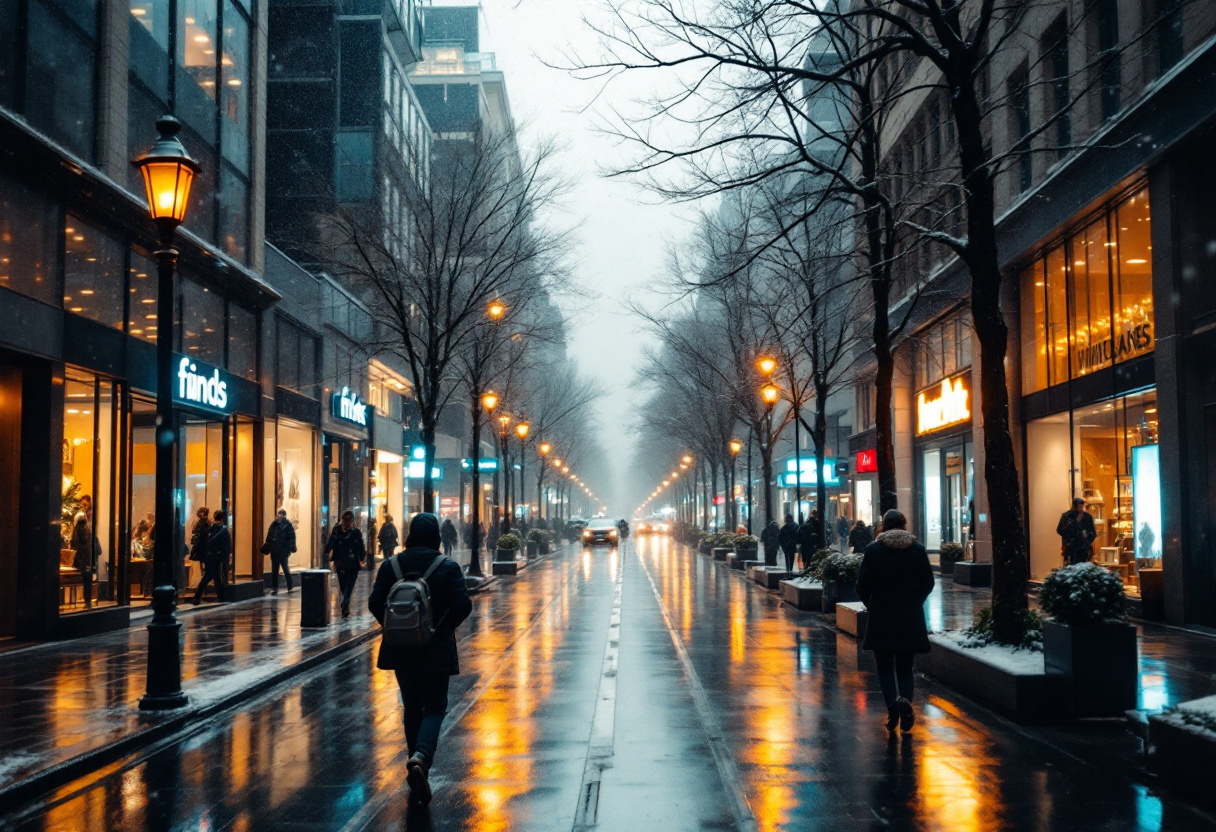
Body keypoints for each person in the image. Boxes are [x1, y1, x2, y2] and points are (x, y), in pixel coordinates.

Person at [368, 513, 473, 806]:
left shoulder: (392, 566)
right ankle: (422, 757)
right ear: (436, 536)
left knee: (411, 706)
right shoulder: (447, 566)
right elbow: (463, 605)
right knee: (435, 706)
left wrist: (396, 629)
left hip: (401, 649)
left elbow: (375, 602)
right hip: (436, 650)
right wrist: (440, 629)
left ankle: (416, 764)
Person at [856, 508, 934, 733]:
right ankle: (906, 703)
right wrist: (915, 601)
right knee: (904, 666)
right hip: (909, 616)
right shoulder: (918, 550)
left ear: (884, 527)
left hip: (882, 616)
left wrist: (873, 604)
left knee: (884, 666)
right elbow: (928, 582)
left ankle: (893, 709)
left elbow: (861, 585)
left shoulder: (874, 551)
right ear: (904, 525)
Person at [325, 510, 366, 617]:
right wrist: (362, 558)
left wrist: (326, 551)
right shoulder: (355, 531)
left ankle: (345, 604)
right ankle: (345, 603)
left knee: (344, 585)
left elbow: (331, 542)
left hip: (341, 562)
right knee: (348, 585)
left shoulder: (338, 530)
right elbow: (360, 547)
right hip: (351, 563)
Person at [193, 510, 230, 605]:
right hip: (217, 555)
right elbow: (227, 545)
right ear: (222, 519)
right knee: (209, 576)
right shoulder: (223, 529)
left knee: (215, 576)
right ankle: (198, 596)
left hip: (209, 555)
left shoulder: (209, 528)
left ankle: (220, 596)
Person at [70, 496, 98, 609]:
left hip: (83, 558)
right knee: (87, 576)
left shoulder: (82, 530)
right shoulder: (86, 531)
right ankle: (87, 601)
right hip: (85, 558)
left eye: (85, 504)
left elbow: (80, 545)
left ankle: (87, 600)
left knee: (87, 576)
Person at [263, 508, 296, 595]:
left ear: (283, 516)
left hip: (283, 551)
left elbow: (291, 537)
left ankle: (290, 586)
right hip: (274, 550)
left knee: (285, 569)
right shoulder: (273, 525)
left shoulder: (288, 525)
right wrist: (267, 545)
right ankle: (274, 587)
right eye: (278, 514)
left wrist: (290, 547)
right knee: (274, 570)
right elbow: (269, 536)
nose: (279, 516)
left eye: (280, 515)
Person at [1056, 497, 1097, 566]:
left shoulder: (1087, 517)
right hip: (1070, 548)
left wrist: (1087, 536)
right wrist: (1068, 531)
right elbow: (1059, 530)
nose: (1080, 510)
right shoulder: (1066, 516)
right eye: (1079, 507)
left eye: (1082, 507)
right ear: (1074, 507)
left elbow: (1093, 533)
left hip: (1083, 548)